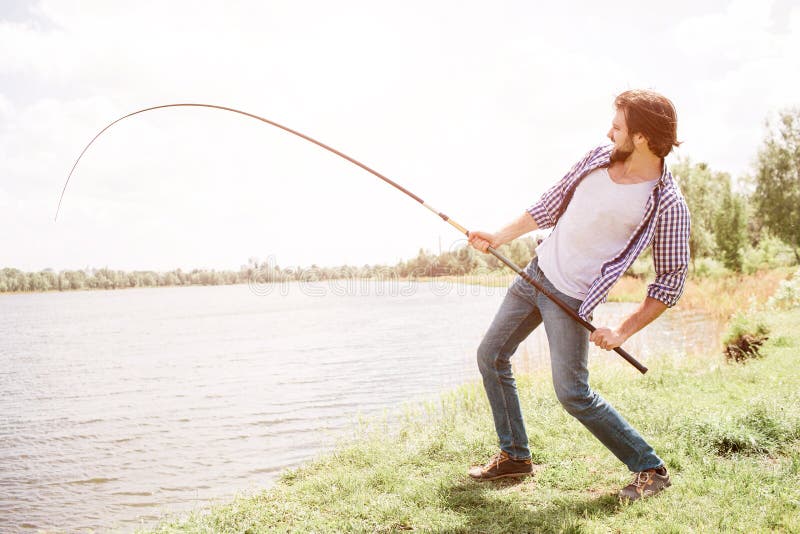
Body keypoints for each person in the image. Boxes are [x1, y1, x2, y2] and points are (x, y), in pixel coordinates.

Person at [466, 89, 690, 501]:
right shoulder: (596, 158)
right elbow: (550, 205)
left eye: (618, 126)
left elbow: (671, 279)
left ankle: (650, 469)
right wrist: (498, 235)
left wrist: (622, 330)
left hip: (570, 299)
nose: (609, 132)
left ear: (641, 137)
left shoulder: (667, 203)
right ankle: (515, 457)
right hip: (534, 274)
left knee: (572, 393)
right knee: (491, 356)